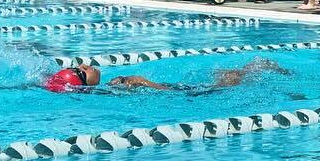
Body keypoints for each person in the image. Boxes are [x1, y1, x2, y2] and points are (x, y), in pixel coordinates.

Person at [44, 58, 288, 93]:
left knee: (226, 75)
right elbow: (159, 90)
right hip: (187, 95)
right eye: (82, 69)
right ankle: (259, 66)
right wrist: (142, 81)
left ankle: (256, 68)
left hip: (181, 91)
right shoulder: (120, 87)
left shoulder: (109, 86)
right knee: (230, 79)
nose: (86, 64)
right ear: (83, 82)